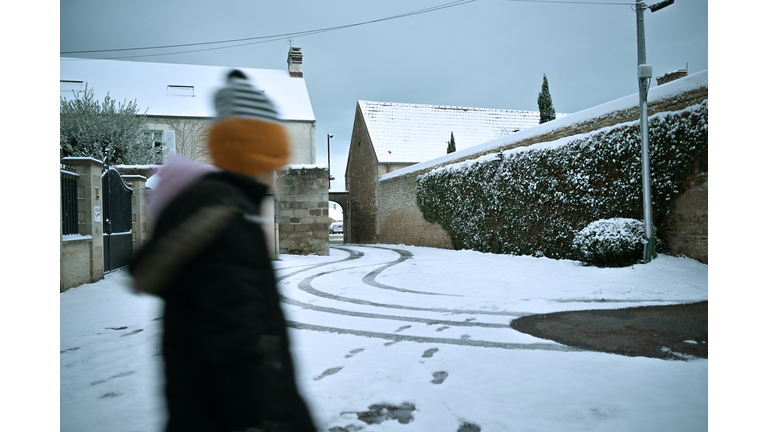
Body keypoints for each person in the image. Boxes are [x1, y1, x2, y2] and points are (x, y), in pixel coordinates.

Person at [130, 70, 318, 432]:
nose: (277, 176)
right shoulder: (228, 223)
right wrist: (274, 419)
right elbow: (241, 346)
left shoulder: (216, 212)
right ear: (254, 158)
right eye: (273, 162)